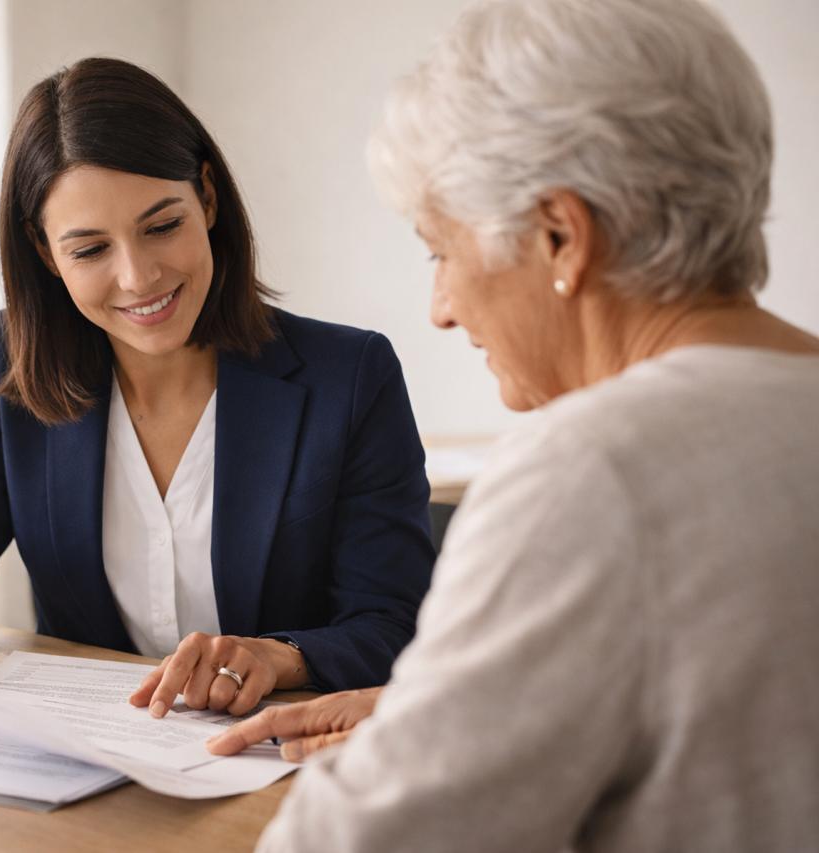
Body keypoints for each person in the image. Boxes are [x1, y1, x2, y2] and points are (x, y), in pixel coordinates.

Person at [208, 0, 819, 849]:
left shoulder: (590, 472)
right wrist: (443, 709)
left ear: (562, 236)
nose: (441, 309)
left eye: (439, 250)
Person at [0, 58, 435, 718]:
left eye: (162, 226)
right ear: (46, 254)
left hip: (283, 758)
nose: (138, 276)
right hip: (94, 760)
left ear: (207, 198)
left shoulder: (349, 377)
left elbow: (394, 623)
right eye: (91, 250)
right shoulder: (8, 363)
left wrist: (280, 654)